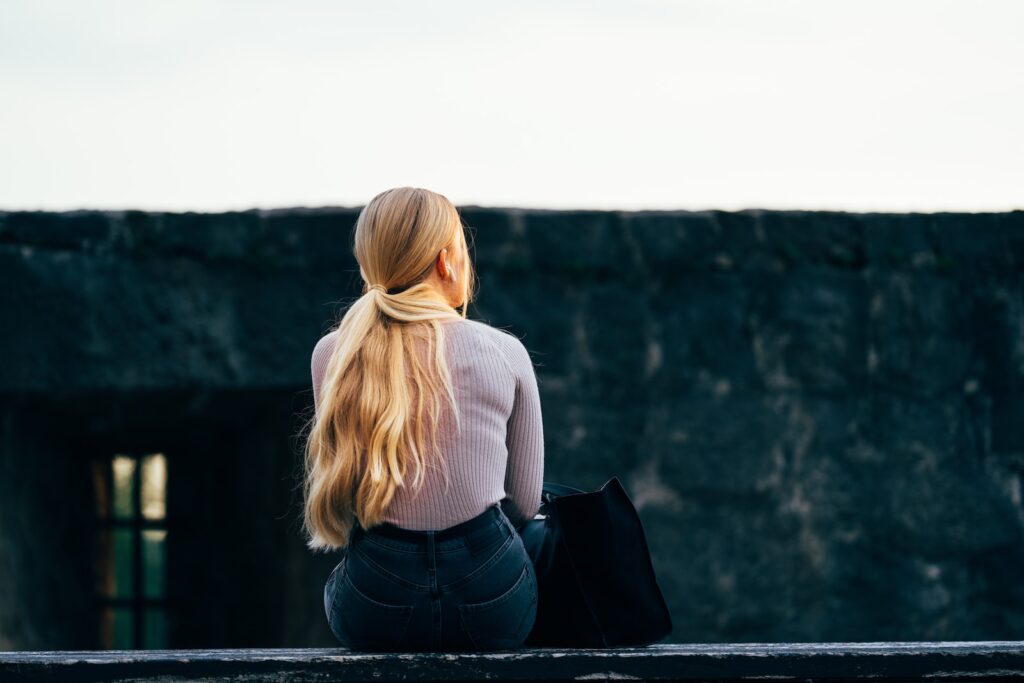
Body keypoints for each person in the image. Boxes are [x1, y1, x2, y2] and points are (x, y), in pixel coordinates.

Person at [303, 187, 544, 652]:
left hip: (376, 604)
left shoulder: (334, 354)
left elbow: (351, 499)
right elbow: (523, 501)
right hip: (493, 601)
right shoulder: (505, 351)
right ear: (445, 261)